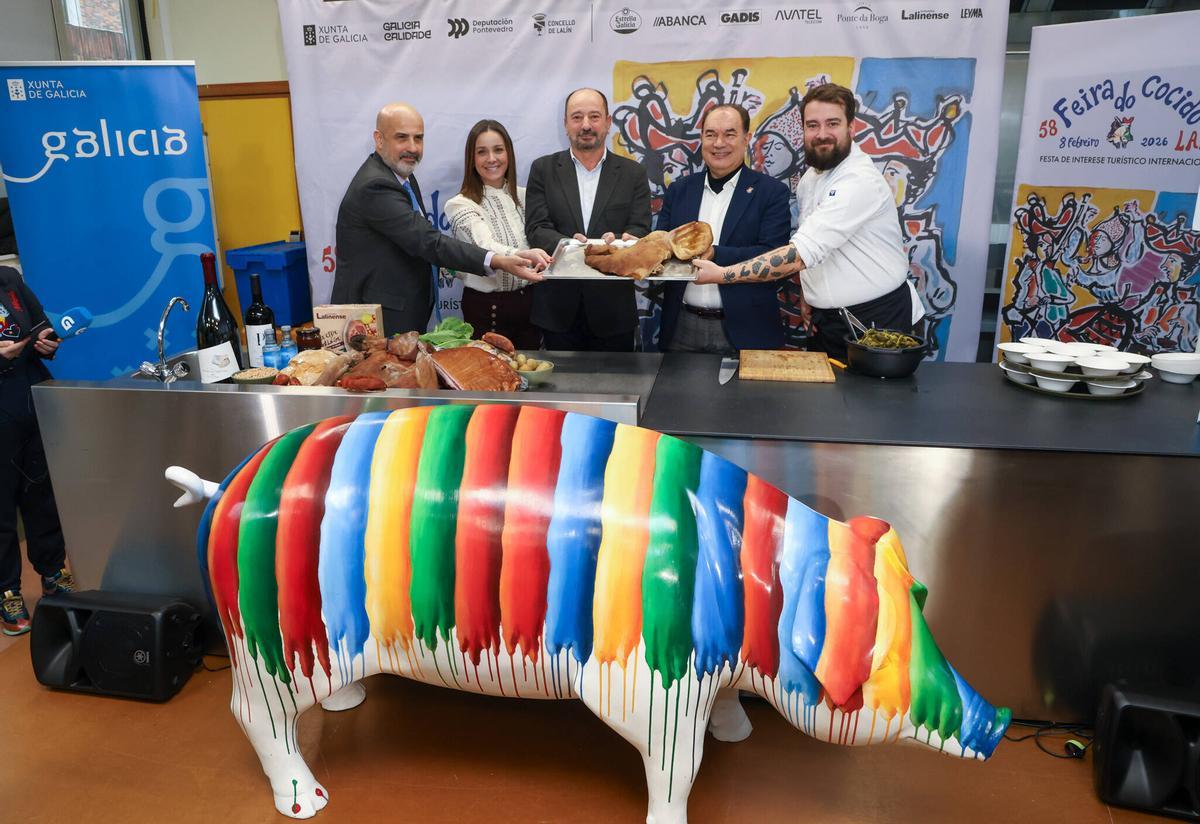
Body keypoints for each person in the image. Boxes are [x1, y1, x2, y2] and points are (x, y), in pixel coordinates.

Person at [691, 84, 924, 361]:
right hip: (826, 322)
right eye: (812, 125)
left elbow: (799, 254)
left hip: (879, 318)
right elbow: (818, 246)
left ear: (852, 127)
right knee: (827, 403)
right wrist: (809, 292)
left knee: (874, 404)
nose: (821, 134)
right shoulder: (810, 180)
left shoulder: (859, 181)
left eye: (832, 123)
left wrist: (721, 275)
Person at [330, 103, 545, 336]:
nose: (412, 147)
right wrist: (499, 260)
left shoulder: (403, 177)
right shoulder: (375, 185)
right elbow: (427, 241)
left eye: (418, 138)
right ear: (379, 139)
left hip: (397, 310)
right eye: (402, 137)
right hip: (374, 318)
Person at [656, 104, 792, 354]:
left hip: (747, 331)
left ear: (746, 138)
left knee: (748, 396)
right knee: (674, 395)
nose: (719, 143)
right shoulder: (679, 190)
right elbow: (663, 246)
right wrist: (636, 247)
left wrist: (716, 254)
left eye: (729, 134)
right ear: (701, 139)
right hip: (681, 327)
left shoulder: (771, 193)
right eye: (710, 134)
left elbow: (774, 255)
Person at [525, 88, 653, 351]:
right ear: (565, 124)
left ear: (608, 122)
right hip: (557, 309)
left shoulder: (634, 173)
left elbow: (639, 228)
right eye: (577, 117)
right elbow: (537, 228)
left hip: (613, 311)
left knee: (617, 389)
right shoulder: (543, 169)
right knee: (560, 389)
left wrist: (617, 242)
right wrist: (570, 245)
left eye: (594, 117)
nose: (585, 125)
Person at [0, 265, 75, 636]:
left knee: (42, 494)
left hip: (31, 401)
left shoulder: (8, 280)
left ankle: (52, 571)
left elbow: (41, 327)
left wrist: (48, 341)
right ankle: (7, 590)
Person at [444, 120, 551, 350]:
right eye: (482, 152)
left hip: (531, 307)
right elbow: (484, 245)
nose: (492, 158)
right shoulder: (459, 204)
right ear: (471, 159)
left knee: (531, 377)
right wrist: (524, 255)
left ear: (509, 153)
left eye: (498, 150)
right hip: (487, 310)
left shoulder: (527, 196)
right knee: (491, 382)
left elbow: (547, 234)